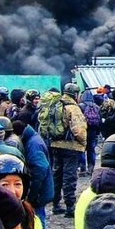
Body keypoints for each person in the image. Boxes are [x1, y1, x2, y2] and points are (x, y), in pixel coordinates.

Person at [47, 84, 88, 217]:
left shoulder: (56, 105)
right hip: (71, 146)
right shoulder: (73, 108)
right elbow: (79, 129)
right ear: (75, 95)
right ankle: (70, 206)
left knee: (57, 174)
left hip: (55, 144)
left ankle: (55, 204)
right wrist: (83, 143)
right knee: (69, 176)